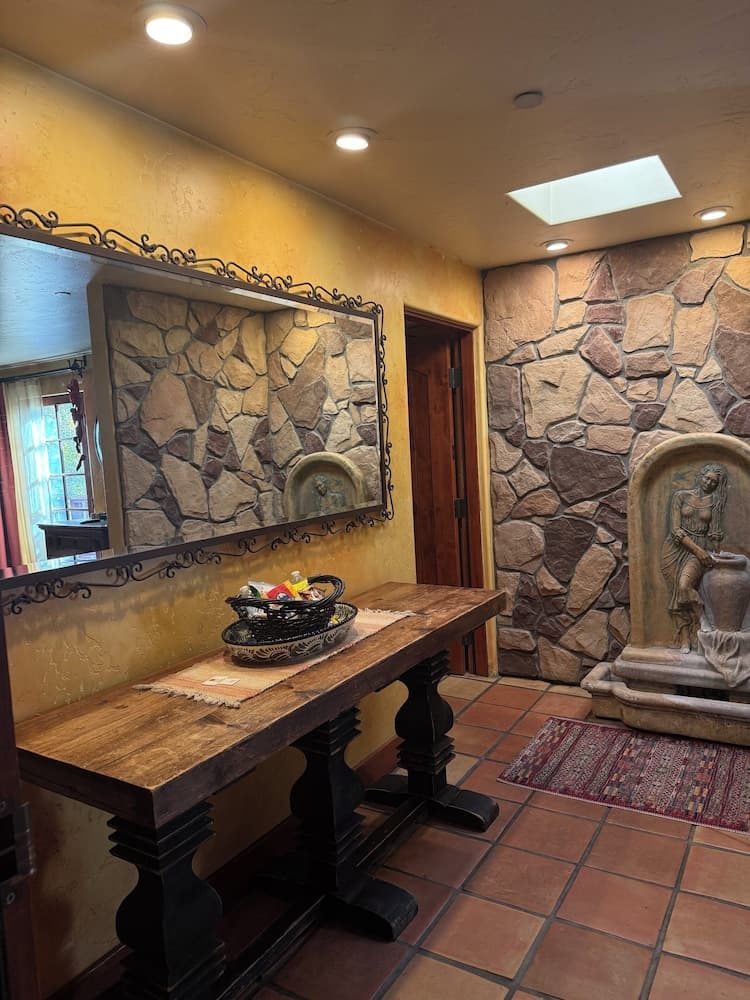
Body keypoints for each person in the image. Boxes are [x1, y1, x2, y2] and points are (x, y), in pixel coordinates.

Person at [661, 463, 728, 651]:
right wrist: (698, 550)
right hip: (674, 549)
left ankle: (702, 618)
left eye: (713, 482)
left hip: (699, 549)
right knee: (676, 593)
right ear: (700, 476)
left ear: (717, 485)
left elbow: (714, 533)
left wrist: (716, 553)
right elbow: (675, 530)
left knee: (684, 586)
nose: (708, 483)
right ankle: (684, 638)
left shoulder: (715, 502)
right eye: (707, 478)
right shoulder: (681, 496)